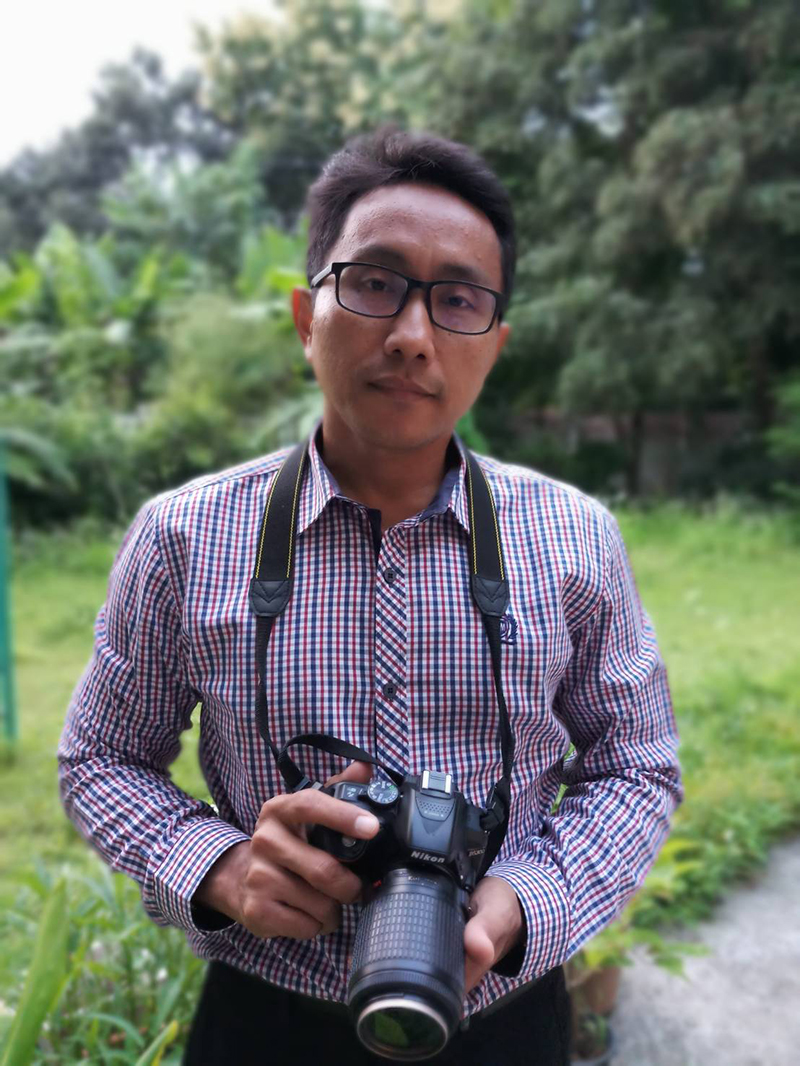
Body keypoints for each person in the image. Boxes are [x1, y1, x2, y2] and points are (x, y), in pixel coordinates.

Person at [59, 127, 682, 1065]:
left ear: (495, 345)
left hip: (502, 1013)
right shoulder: (183, 537)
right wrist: (220, 868)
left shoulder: (575, 538)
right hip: (267, 1010)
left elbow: (637, 767)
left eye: (458, 300)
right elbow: (100, 757)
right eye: (375, 283)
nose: (412, 337)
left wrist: (525, 902)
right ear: (306, 317)